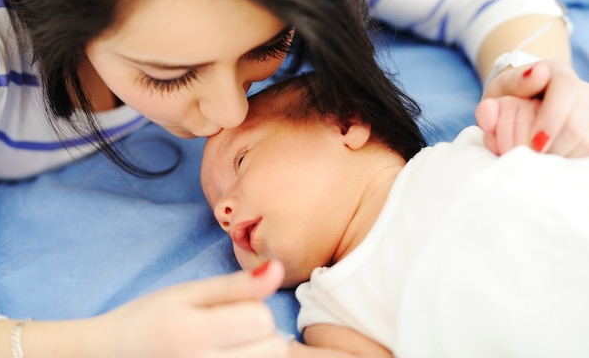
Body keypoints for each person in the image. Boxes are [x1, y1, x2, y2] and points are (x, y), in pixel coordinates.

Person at [0, 0, 588, 356]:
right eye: (172, 74)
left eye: (270, 45)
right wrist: (93, 344)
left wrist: (531, 81)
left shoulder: (482, 157)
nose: (229, 113)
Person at [201, 73, 589, 357]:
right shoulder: (333, 309)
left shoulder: (473, 148)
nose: (223, 211)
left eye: (241, 160)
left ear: (344, 122)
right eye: (217, 204)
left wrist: (542, 101)